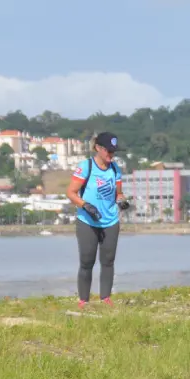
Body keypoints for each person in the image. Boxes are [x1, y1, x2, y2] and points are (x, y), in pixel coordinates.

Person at [66, 132, 129, 309]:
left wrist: (121, 201)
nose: (111, 155)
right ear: (98, 148)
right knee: (87, 261)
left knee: (108, 261)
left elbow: (118, 193)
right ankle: (83, 300)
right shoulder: (86, 167)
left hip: (110, 221)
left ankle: (106, 298)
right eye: (108, 151)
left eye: (113, 152)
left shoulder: (115, 169)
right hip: (88, 221)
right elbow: (71, 193)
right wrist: (85, 205)